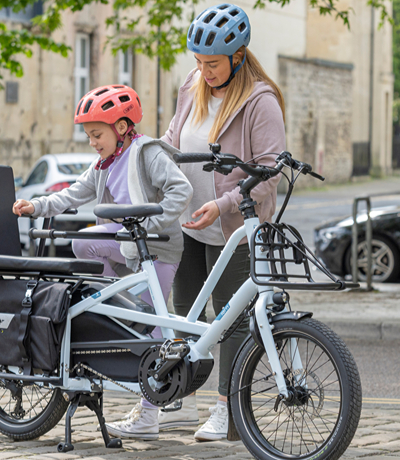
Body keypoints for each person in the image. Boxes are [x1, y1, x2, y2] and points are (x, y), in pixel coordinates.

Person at [107, 3, 286, 442]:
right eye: (199, 62)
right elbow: (171, 143)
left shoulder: (260, 101)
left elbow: (269, 174)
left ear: (238, 57)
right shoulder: (193, 87)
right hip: (185, 226)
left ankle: (228, 410)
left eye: (213, 64)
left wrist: (224, 204)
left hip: (233, 230)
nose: (204, 71)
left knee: (230, 323)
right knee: (181, 320)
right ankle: (162, 405)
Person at [12, 83, 192, 363]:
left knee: (152, 324)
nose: (92, 143)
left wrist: (150, 227)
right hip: (128, 243)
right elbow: (72, 193)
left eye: (96, 134)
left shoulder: (148, 154)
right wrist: (36, 205)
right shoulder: (103, 165)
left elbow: (181, 190)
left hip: (158, 248)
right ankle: (115, 300)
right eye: (88, 136)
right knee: (85, 242)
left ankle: (153, 401)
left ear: (121, 128)